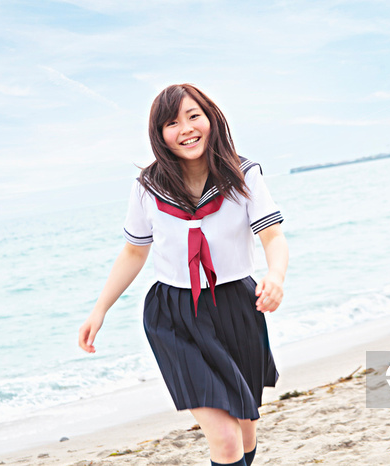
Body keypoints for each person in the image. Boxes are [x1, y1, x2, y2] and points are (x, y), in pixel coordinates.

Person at [78, 84, 289, 466]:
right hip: (175, 315)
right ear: (159, 134)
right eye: (172, 123)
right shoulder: (147, 187)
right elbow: (133, 251)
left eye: (194, 116)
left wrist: (275, 277)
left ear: (211, 119)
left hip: (238, 306)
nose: (186, 129)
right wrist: (99, 310)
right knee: (223, 440)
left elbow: (273, 236)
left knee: (244, 430)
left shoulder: (244, 175)